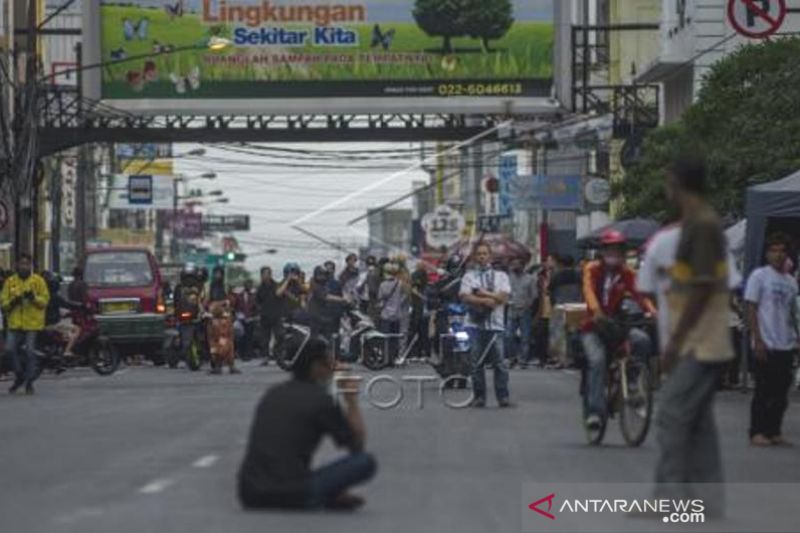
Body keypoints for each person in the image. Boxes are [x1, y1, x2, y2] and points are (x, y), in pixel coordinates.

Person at [654, 155, 733, 515]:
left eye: (669, 179)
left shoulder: (702, 224)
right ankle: (706, 501)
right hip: (700, 336)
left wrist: (675, 341)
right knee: (698, 422)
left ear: (680, 183)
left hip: (701, 339)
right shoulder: (695, 223)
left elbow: (702, 287)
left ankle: (672, 499)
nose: (666, 187)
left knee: (671, 413)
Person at [237, 337, 377, 511]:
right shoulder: (322, 401)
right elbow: (356, 445)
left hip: (250, 493)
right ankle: (321, 495)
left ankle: (323, 494)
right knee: (365, 462)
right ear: (316, 367)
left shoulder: (272, 394)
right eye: (329, 365)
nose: (332, 371)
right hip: (294, 492)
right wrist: (351, 400)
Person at [580, 229, 655, 430]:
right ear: (602, 252)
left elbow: (641, 295)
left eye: (617, 249)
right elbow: (588, 291)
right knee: (597, 361)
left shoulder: (628, 273)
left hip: (619, 325)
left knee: (642, 340)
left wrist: (653, 312)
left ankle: (632, 383)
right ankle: (595, 412)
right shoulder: (591, 269)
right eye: (609, 249)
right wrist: (596, 311)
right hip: (593, 327)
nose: (613, 253)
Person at [744, 232, 798, 446]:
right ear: (767, 254)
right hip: (765, 341)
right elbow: (751, 307)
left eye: (782, 251)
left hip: (785, 342)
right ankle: (757, 431)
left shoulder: (791, 282)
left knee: (781, 391)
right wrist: (757, 339)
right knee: (763, 390)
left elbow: (793, 312)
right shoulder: (760, 276)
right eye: (774, 250)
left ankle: (774, 430)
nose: (778, 255)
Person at [460, 242, 512, 408]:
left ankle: (503, 396)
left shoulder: (501, 276)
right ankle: (479, 397)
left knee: (500, 364)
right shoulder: (469, 276)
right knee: (476, 363)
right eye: (479, 254)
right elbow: (464, 296)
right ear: (475, 257)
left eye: (485, 254)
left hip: (495, 325)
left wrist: (485, 294)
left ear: (490, 256)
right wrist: (486, 300)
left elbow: (503, 298)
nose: (482, 257)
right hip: (475, 325)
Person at [1, 255, 50, 394]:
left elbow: (45, 301)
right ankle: (19, 375)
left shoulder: (38, 281)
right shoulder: (10, 281)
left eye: (27, 264)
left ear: (31, 266)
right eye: (22, 264)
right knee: (9, 350)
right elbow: (3, 302)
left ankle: (29, 382)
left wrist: (34, 298)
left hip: (32, 323)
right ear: (17, 265)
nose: (24, 267)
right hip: (14, 323)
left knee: (29, 351)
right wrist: (12, 302)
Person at [43, 272, 84, 358]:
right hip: (53, 324)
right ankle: (67, 351)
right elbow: (67, 304)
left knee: (66, 331)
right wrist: (80, 305)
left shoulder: (43, 296)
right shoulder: (54, 296)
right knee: (77, 329)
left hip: (45, 324)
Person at [207, 266, 239, 374]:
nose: (217, 276)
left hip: (224, 320)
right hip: (213, 319)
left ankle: (231, 365)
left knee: (227, 343)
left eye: (219, 273)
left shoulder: (225, 287)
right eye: (216, 273)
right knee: (214, 343)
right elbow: (206, 301)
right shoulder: (209, 287)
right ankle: (217, 365)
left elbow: (232, 301)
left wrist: (224, 305)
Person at [506, 257, 536, 368]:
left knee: (525, 336)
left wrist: (527, 305)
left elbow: (533, 296)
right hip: (511, 309)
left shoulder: (530, 279)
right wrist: (508, 301)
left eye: (517, 264)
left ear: (523, 266)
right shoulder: (508, 278)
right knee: (509, 335)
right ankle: (512, 358)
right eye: (513, 264)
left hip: (525, 310)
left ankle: (523, 360)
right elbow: (505, 293)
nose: (515, 267)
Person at [377, 262, 408, 364]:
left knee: (385, 338)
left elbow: (379, 298)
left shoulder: (382, 285)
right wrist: (398, 303)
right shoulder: (400, 283)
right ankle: (393, 358)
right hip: (397, 314)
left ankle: (385, 358)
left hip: (385, 315)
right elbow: (405, 296)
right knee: (395, 337)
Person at [255, 267, 281, 362]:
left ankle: (278, 354)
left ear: (270, 275)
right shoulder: (260, 288)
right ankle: (265, 356)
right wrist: (259, 312)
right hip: (265, 316)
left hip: (276, 315)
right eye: (263, 274)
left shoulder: (276, 285)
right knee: (265, 337)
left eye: (267, 274)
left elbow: (280, 297)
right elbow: (257, 302)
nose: (265, 276)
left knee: (279, 335)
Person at [408, 261, 430, 359]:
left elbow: (413, 289)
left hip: (418, 307)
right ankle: (423, 352)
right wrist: (423, 297)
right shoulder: (420, 275)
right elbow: (414, 289)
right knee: (423, 331)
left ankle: (415, 352)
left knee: (415, 330)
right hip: (420, 307)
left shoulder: (416, 275)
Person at [233, 278, 258, 360]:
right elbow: (236, 306)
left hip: (250, 318)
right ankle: (242, 353)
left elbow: (256, 307)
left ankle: (248, 354)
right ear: (244, 286)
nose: (249, 286)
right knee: (242, 337)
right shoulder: (239, 295)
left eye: (250, 285)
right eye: (247, 284)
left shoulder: (254, 295)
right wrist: (238, 315)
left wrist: (254, 315)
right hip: (241, 318)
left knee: (249, 337)